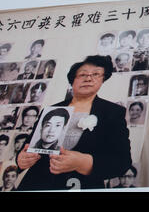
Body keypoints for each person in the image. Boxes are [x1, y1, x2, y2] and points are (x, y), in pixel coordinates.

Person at [16, 55, 132, 191]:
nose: (88, 78)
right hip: (37, 184)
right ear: (72, 80)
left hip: (82, 185)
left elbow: (122, 161)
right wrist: (21, 159)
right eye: (82, 74)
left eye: (96, 74)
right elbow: (29, 146)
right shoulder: (52, 110)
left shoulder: (113, 112)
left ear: (102, 80)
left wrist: (82, 162)